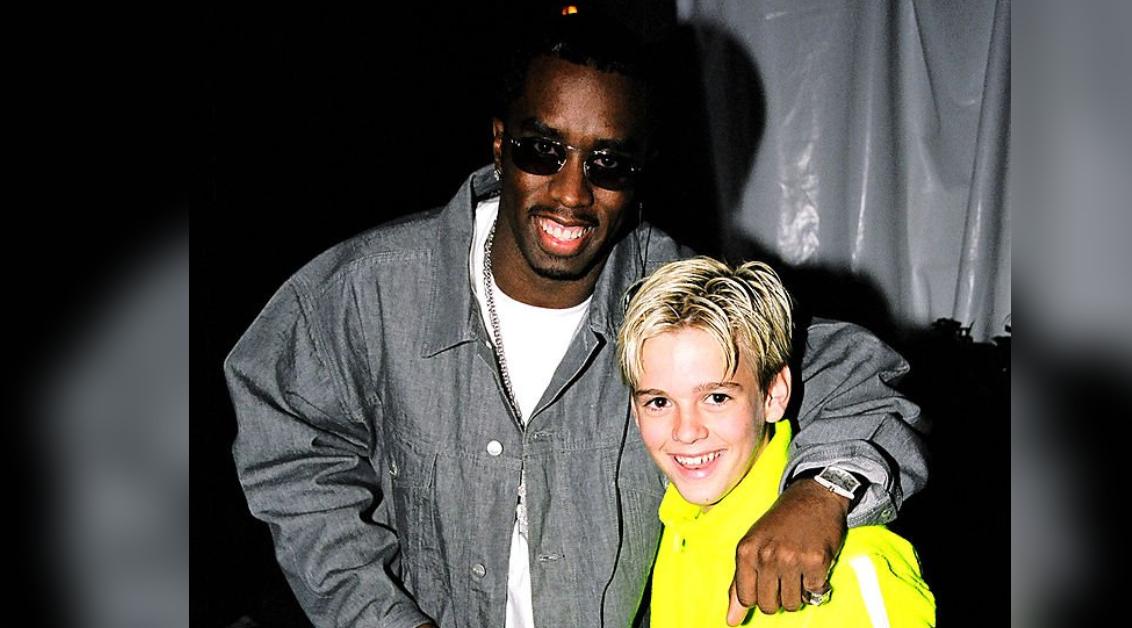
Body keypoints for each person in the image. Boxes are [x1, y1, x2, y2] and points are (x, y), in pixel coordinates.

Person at [224, 10, 929, 628]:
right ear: (499, 143)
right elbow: (288, 448)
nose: (571, 193)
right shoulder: (366, 291)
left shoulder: (675, 297)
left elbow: (857, 374)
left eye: (610, 163)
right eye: (542, 149)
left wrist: (823, 490)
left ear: (642, 172)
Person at [617, 257, 935, 627]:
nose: (686, 431)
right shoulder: (677, 526)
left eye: (717, 398)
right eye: (659, 402)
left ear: (774, 394)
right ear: (635, 410)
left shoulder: (849, 566)